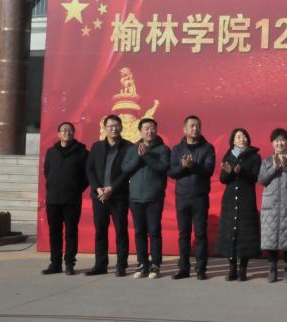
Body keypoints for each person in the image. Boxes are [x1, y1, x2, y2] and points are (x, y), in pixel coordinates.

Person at [121, 118, 170, 279]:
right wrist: (139, 157)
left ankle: (155, 264)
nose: (150, 131)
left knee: (154, 231)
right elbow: (125, 168)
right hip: (135, 198)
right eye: (146, 128)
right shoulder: (132, 149)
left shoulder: (163, 149)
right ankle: (142, 264)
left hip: (154, 197)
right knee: (139, 232)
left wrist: (146, 156)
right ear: (140, 131)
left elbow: (162, 168)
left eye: (152, 128)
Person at [168, 115, 216, 280]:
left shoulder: (208, 148)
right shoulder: (177, 149)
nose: (195, 128)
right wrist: (183, 167)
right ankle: (184, 268)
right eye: (192, 126)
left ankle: (201, 269)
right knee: (184, 234)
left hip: (200, 197)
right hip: (182, 197)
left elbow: (209, 170)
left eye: (197, 126)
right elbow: (172, 172)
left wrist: (192, 165)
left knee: (201, 234)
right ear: (184, 129)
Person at [85, 114, 133, 276]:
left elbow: (127, 172)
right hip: (99, 197)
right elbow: (89, 169)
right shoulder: (96, 146)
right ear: (105, 128)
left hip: (119, 197)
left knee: (121, 231)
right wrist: (97, 188)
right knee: (100, 232)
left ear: (121, 127)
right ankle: (100, 265)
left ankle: (121, 265)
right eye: (110, 126)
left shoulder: (128, 147)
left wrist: (112, 188)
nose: (114, 129)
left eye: (116, 125)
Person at [41, 122, 89, 275]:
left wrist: (76, 189)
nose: (67, 133)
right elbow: (47, 172)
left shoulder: (82, 152)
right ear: (58, 134)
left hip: (72, 200)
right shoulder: (51, 152)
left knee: (71, 232)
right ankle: (55, 263)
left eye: (70, 130)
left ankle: (69, 263)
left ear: (74, 133)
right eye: (63, 130)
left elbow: (87, 176)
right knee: (54, 232)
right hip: (53, 200)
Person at [257, 128, 287, 283]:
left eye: (282, 140)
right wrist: (275, 167)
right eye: (276, 140)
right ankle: (272, 268)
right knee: (271, 238)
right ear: (272, 143)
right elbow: (262, 179)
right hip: (271, 205)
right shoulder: (266, 161)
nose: (279, 143)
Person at [215, 128, 262, 281]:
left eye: (244, 136)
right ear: (233, 141)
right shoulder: (228, 155)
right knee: (230, 234)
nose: (241, 139)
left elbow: (255, 177)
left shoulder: (255, 156)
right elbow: (223, 179)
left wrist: (241, 171)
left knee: (245, 235)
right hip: (229, 201)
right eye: (238, 137)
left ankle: (243, 269)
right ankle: (232, 268)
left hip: (246, 200)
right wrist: (229, 172)